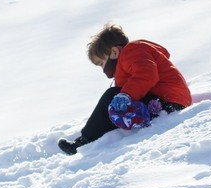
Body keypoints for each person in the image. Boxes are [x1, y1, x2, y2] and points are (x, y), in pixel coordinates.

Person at [58, 24, 192, 155]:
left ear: (114, 52)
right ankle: (116, 127)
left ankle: (83, 141)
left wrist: (125, 95)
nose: (103, 70)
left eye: (101, 63)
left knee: (111, 95)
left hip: (166, 101)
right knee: (115, 103)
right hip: (168, 101)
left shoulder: (132, 50)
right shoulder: (128, 62)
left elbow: (147, 74)